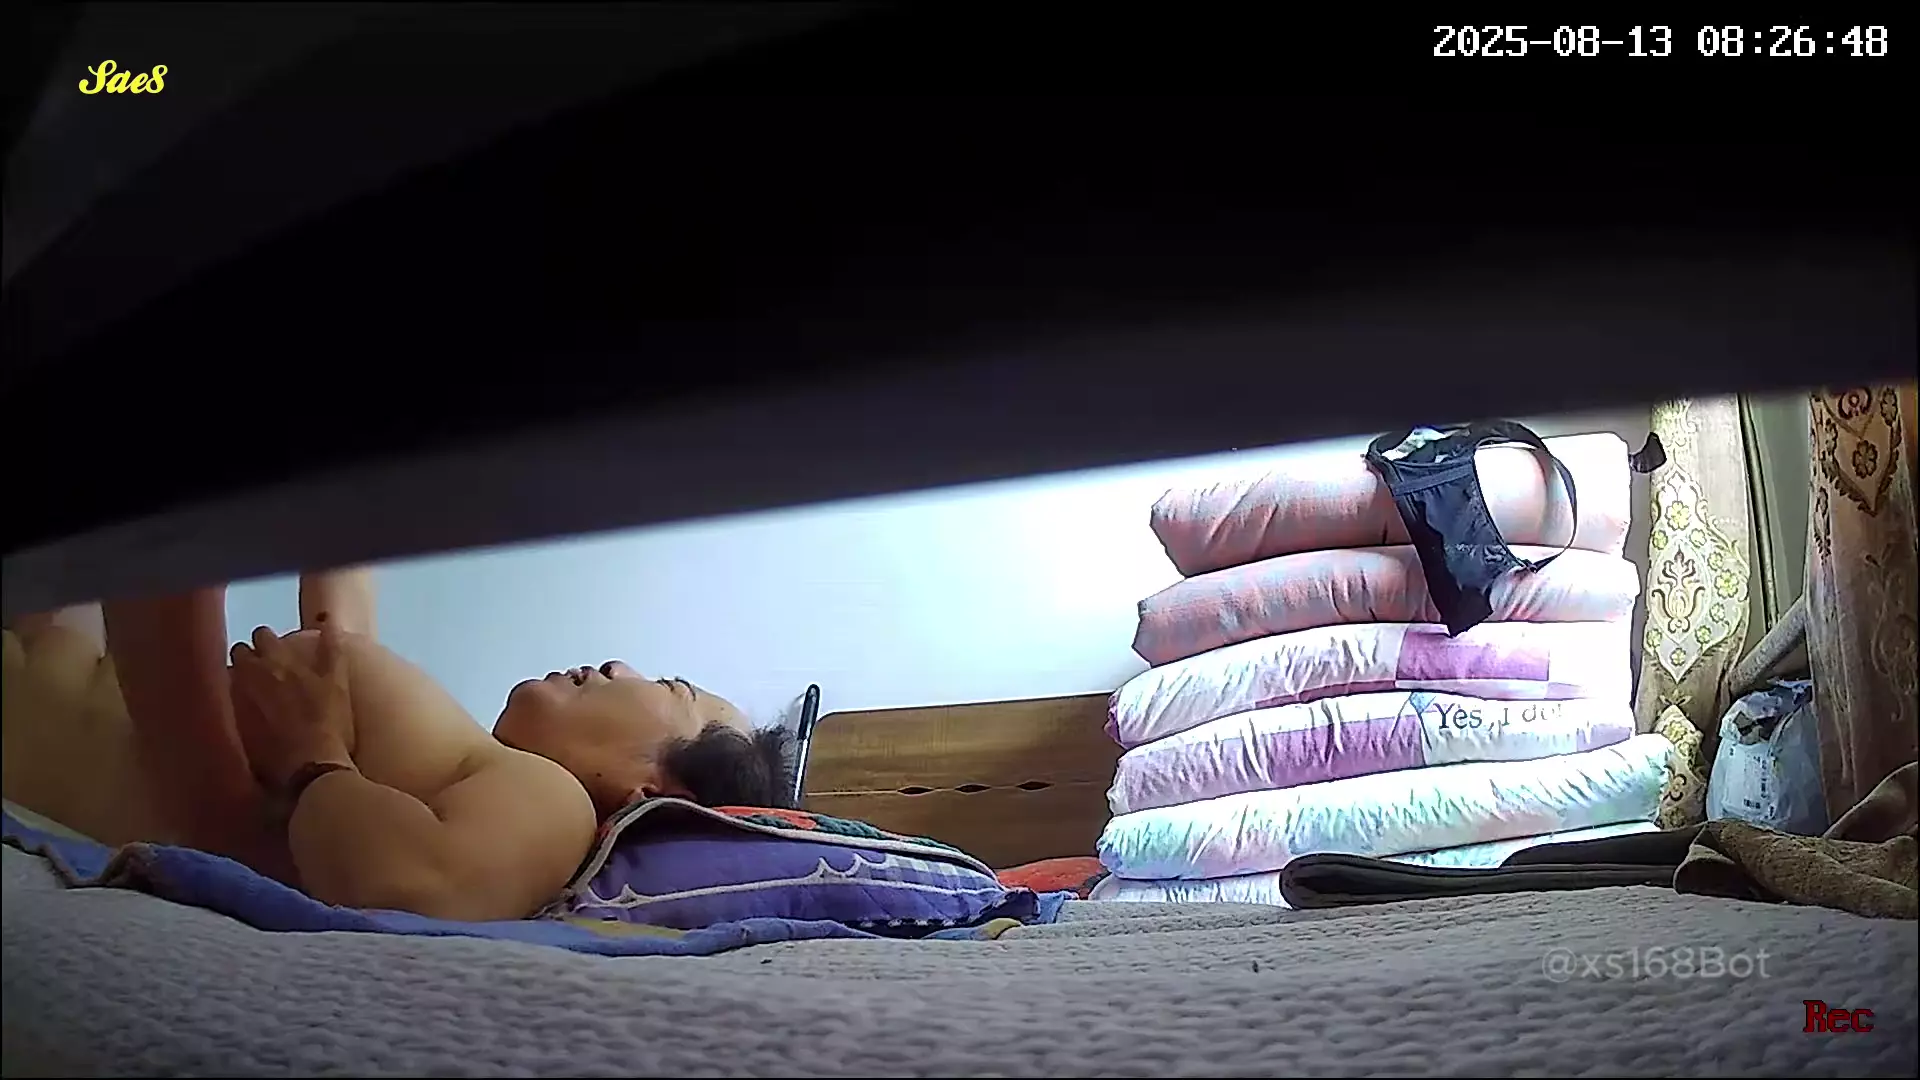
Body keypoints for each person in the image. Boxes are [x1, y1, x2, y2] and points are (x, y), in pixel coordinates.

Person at [1, 567, 795, 921]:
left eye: (672, 688)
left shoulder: (555, 806)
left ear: (651, 789)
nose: (622, 666)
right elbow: (342, 646)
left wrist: (313, 753)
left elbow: (416, 886)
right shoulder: (466, 763)